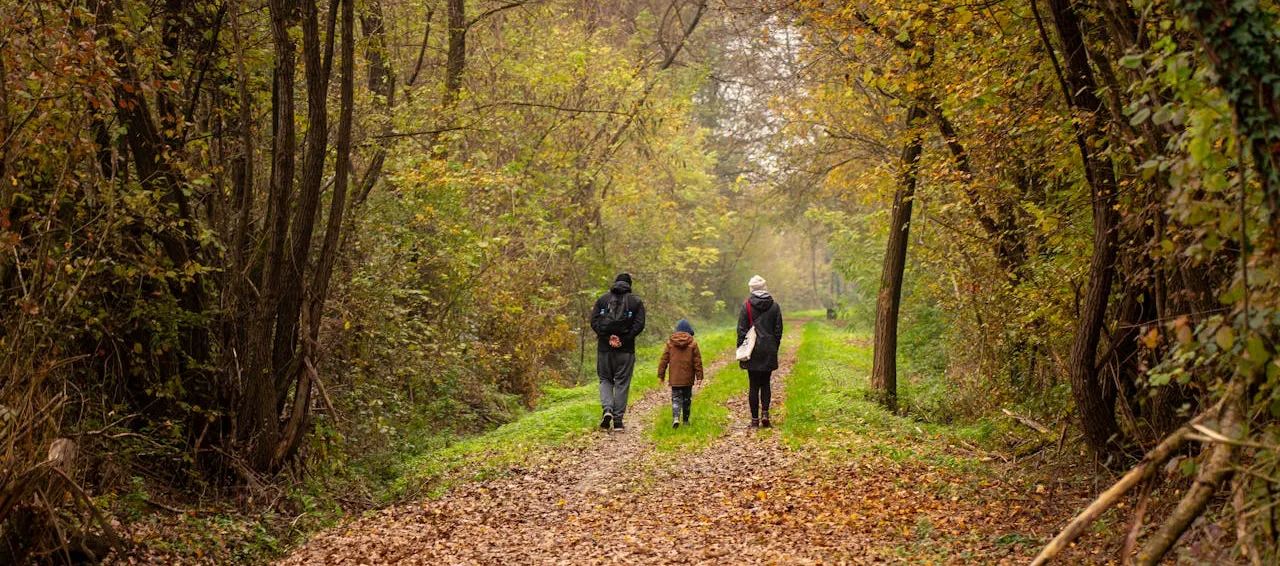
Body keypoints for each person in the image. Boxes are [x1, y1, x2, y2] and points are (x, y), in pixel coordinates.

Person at [590, 273, 646, 431]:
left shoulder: (602, 300)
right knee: (622, 383)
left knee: (605, 379)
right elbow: (639, 324)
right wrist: (624, 339)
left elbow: (593, 321)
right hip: (626, 351)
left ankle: (607, 409)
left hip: (604, 349)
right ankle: (618, 421)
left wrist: (607, 337)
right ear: (630, 285)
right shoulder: (636, 302)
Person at [737, 275, 783, 428]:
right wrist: (774, 347)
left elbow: (741, 330)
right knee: (766, 384)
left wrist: (741, 349)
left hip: (752, 349)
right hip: (769, 348)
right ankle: (765, 414)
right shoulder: (775, 306)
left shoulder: (747, 306)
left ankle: (755, 420)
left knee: (753, 385)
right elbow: (778, 331)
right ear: (764, 287)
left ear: (751, 289)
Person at [658, 319, 704, 428]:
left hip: (675, 378)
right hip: (688, 379)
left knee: (676, 398)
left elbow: (663, 360)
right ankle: (686, 421)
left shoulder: (670, 343)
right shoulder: (692, 343)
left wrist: (661, 376)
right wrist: (699, 377)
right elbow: (697, 361)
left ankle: (675, 418)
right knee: (687, 399)